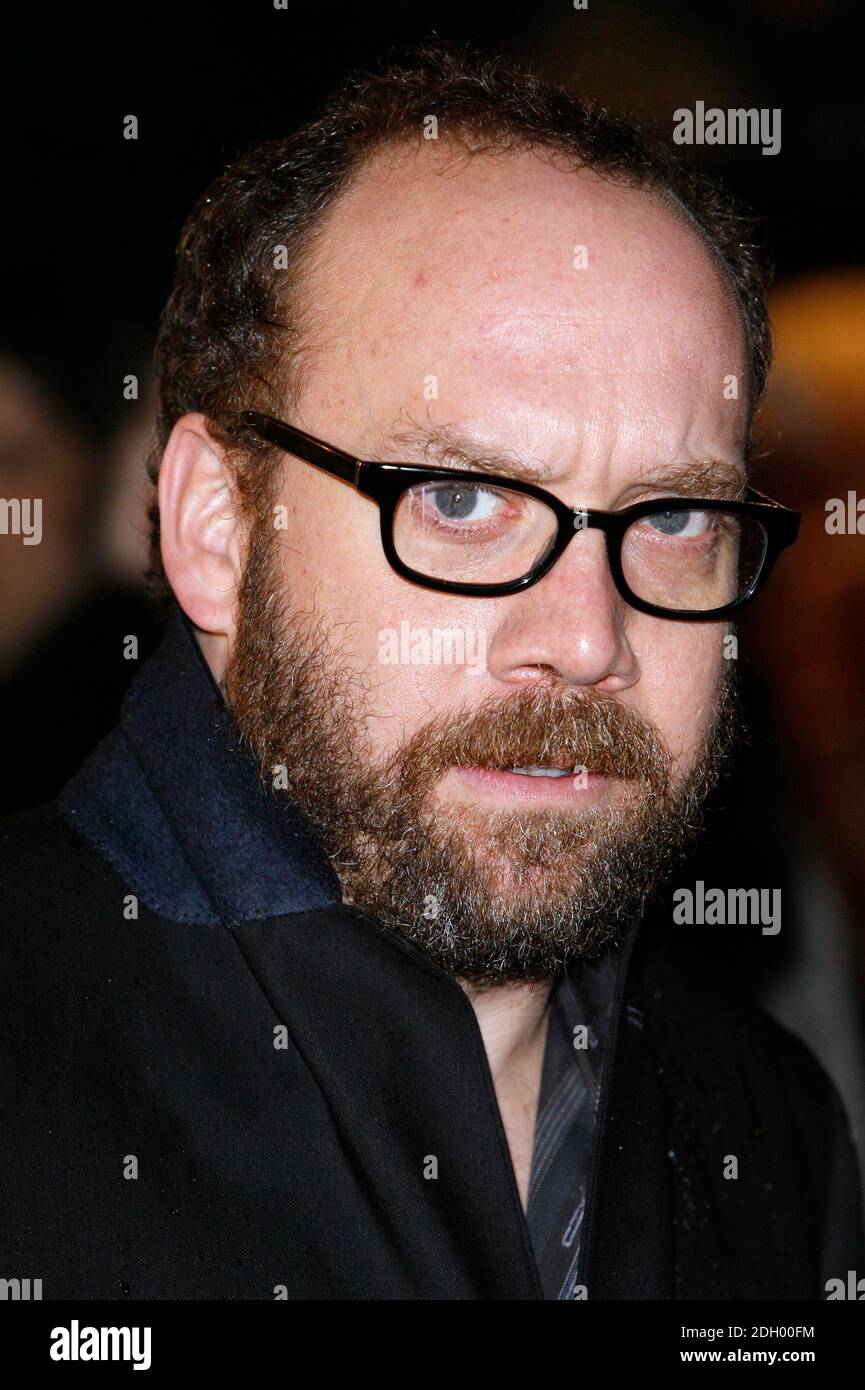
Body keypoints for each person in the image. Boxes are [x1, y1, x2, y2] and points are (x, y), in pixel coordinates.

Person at [1, 45, 860, 1300]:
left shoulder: (767, 1122)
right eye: (460, 498)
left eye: (674, 518)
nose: (584, 638)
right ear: (216, 527)